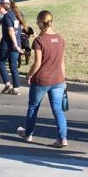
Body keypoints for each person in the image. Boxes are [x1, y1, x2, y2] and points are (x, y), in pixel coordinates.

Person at [17, 10, 68, 148]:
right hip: (58, 80)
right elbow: (62, 62)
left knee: (33, 107)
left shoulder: (39, 40)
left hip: (41, 80)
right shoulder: (60, 38)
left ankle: (28, 134)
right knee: (58, 110)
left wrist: (29, 75)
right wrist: (63, 79)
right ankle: (62, 139)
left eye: (37, 22)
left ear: (40, 23)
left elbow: (37, 63)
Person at [0, 0, 25, 95]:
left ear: (6, 4)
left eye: (2, 4)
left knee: (1, 62)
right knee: (13, 66)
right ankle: (16, 89)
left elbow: (10, 31)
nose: (1, 6)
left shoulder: (7, 15)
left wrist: (15, 45)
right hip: (17, 42)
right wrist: (17, 44)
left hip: (7, 44)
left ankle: (8, 85)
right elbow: (20, 27)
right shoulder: (18, 13)